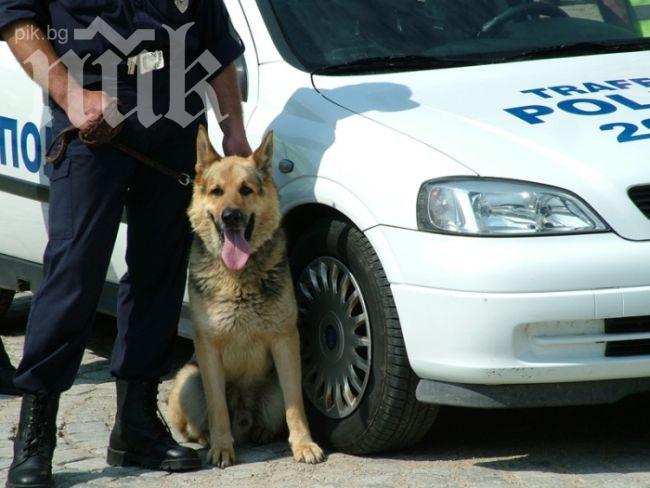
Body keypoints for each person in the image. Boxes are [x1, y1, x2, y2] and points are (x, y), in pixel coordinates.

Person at [0, 1, 251, 486]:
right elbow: (18, 22)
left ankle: (136, 426)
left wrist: (233, 129)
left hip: (173, 113)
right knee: (75, 269)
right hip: (91, 120)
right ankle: (36, 436)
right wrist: (70, 95)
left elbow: (216, 42)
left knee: (160, 269)